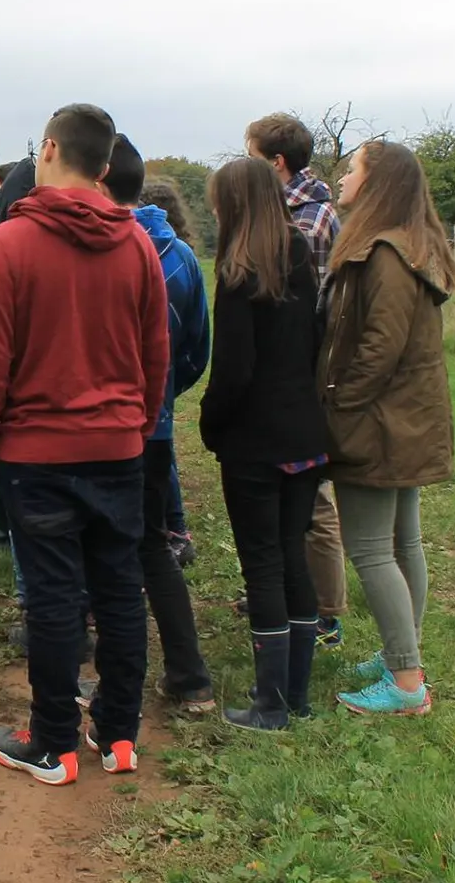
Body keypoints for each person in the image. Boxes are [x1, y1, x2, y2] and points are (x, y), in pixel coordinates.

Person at [0, 104, 168, 785]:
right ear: (106, 166)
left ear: (49, 149)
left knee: (53, 597)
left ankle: (53, 743)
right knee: (119, 588)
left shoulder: (11, 245)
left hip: (35, 452)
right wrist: (135, 427)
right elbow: (154, 356)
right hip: (117, 447)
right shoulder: (138, 243)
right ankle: (118, 735)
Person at [321, 140, 455, 717]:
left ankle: (406, 682)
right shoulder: (413, 247)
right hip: (405, 417)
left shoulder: (384, 253)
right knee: (404, 543)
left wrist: (342, 405)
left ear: (377, 185)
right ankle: (402, 656)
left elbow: (380, 344)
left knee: (373, 550)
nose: (343, 178)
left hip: (380, 422)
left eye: (352, 170)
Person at [198, 157, 330, 732]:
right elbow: (317, 340)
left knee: (263, 564)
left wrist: (211, 423)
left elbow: (233, 368)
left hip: (255, 440)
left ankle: (270, 704)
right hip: (305, 433)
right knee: (292, 554)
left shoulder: (237, 271)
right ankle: (294, 694)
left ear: (233, 204)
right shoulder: (300, 256)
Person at [115, 161, 215, 715]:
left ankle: (107, 689)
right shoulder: (179, 255)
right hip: (153, 424)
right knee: (153, 544)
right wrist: (164, 398)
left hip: (102, 427)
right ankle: (189, 677)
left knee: (98, 548)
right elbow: (197, 348)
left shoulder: (108, 247)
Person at [245, 113, 348, 650]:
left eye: (251, 155)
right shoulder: (294, 210)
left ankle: (325, 609)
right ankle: (292, 589)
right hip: (293, 370)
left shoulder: (305, 220)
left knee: (315, 502)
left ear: (275, 163)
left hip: (306, 371)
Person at [140, 179, 201, 570]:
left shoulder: (150, 256)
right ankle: (175, 531)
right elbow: (197, 342)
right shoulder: (183, 255)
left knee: (152, 468)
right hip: (161, 386)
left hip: (138, 393)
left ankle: (167, 535)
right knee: (163, 456)